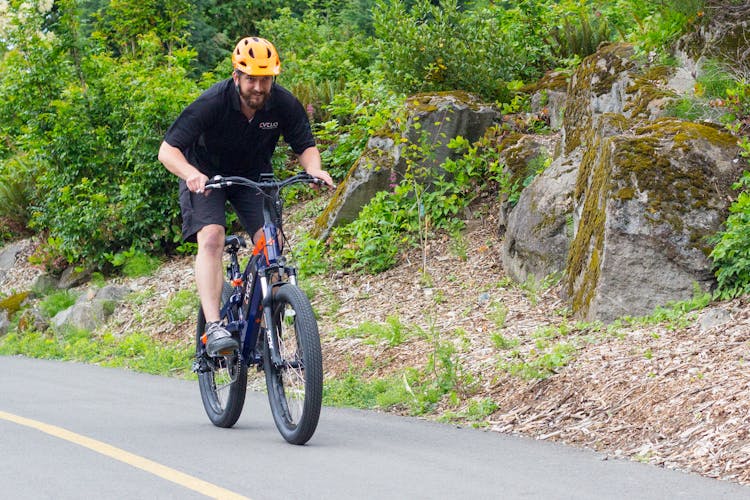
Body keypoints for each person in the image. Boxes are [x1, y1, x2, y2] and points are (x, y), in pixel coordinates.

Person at [158, 36, 333, 356]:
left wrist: (314, 170)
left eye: (265, 80)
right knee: (211, 236)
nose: (258, 87)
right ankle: (214, 326)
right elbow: (167, 151)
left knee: (273, 244)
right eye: (251, 78)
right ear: (236, 76)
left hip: (253, 177)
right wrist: (191, 174)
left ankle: (267, 312)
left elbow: (305, 146)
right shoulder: (213, 102)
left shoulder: (282, 103)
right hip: (205, 174)